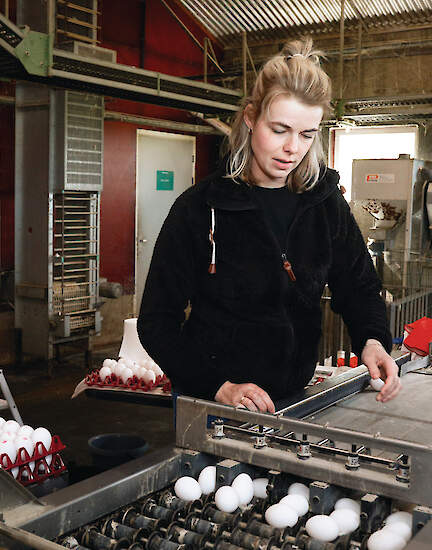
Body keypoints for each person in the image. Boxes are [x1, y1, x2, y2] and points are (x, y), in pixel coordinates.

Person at [137, 39, 400, 413]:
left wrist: (373, 339)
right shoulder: (200, 209)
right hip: (213, 402)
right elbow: (156, 323)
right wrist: (217, 386)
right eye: (279, 130)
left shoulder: (324, 203)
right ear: (250, 118)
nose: (293, 148)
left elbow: (358, 286)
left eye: (307, 135)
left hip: (295, 397)